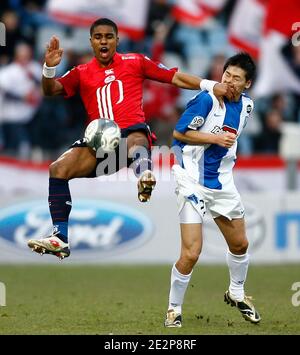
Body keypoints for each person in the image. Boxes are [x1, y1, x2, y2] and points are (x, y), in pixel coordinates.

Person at [27, 18, 232, 260]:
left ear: (117, 40)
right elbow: (50, 90)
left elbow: (173, 77)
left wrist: (210, 85)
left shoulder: (135, 61)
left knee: (136, 140)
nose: (104, 41)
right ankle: (60, 237)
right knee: (58, 169)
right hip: (98, 144)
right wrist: (49, 69)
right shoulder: (81, 73)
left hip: (131, 134)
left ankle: (144, 174)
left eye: (109, 36)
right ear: (91, 41)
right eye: (99, 37)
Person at [164, 52, 261, 327]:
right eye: (227, 75)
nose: (229, 82)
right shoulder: (206, 99)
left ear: (247, 84)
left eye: (236, 78)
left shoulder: (247, 106)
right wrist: (214, 137)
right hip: (192, 181)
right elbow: (179, 133)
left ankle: (236, 292)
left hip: (222, 183)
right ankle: (173, 309)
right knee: (192, 253)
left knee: (240, 244)